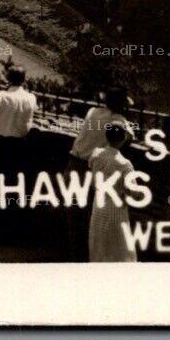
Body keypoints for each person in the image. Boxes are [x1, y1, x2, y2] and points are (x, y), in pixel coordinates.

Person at [66, 87, 134, 260]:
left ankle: (76, 258)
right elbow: (127, 137)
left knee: (75, 220)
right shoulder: (119, 121)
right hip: (91, 169)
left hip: (74, 164)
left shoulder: (92, 112)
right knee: (91, 222)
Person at [0, 66, 37, 221]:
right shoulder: (31, 98)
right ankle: (12, 221)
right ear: (24, 80)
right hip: (21, 146)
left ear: (8, 79)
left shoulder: (2, 96)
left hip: (1, 146)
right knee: (16, 184)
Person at [88, 122, 138, 262]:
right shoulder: (124, 164)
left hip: (98, 207)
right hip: (115, 209)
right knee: (119, 250)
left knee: (99, 246)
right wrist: (125, 195)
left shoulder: (96, 155)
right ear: (123, 139)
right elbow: (135, 192)